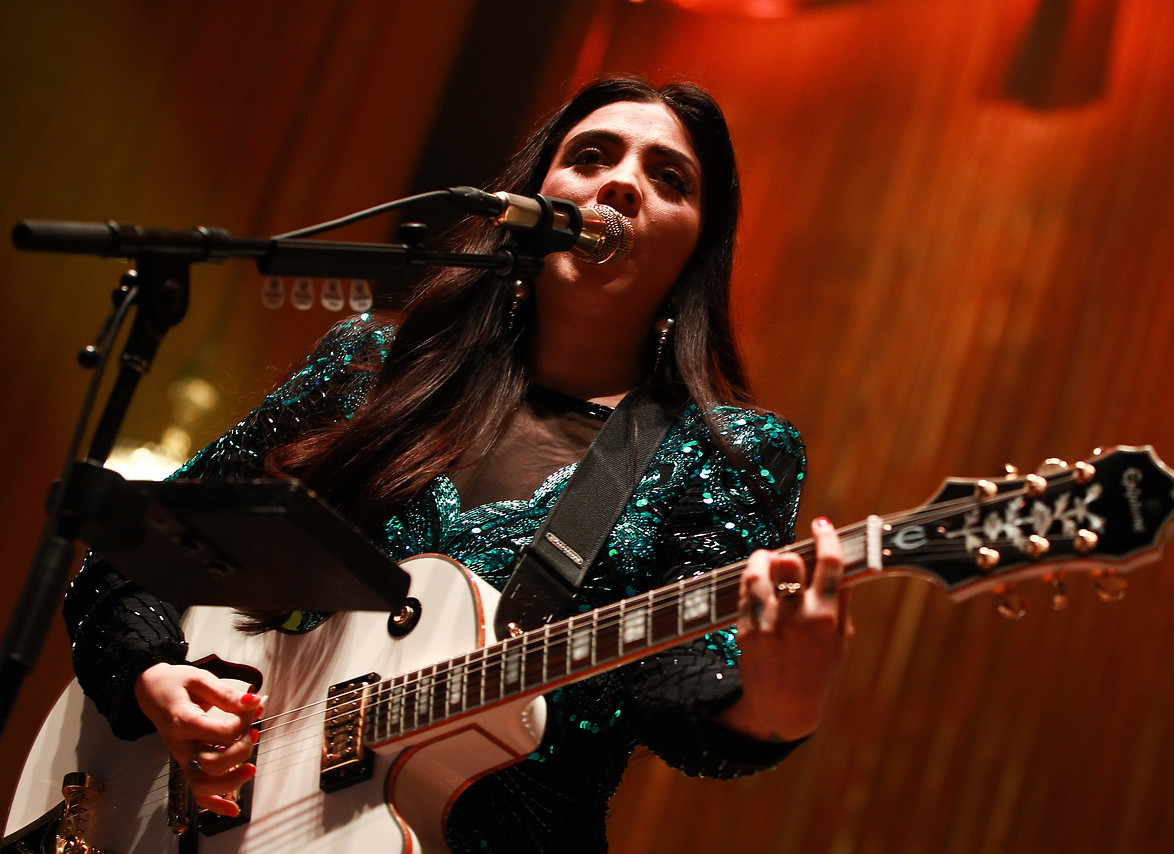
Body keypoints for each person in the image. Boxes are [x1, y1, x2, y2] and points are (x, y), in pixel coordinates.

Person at [62, 75, 853, 852]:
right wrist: (154, 681)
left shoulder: (723, 453)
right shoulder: (373, 366)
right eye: (591, 156)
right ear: (530, 199)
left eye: (668, 176)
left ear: (697, 248)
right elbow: (141, 551)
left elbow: (681, 692)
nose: (620, 182)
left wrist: (776, 707)